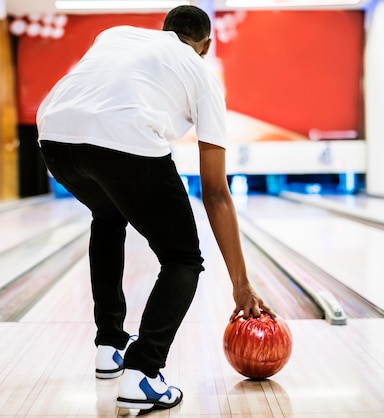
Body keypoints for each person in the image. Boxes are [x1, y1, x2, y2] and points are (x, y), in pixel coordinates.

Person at [36, 5, 274, 412]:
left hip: (52, 138)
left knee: (108, 217)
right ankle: (144, 372)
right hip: (125, 140)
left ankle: (109, 346)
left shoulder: (115, 34)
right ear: (206, 45)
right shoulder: (203, 75)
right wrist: (241, 282)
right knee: (182, 258)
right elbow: (215, 192)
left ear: (164, 30)